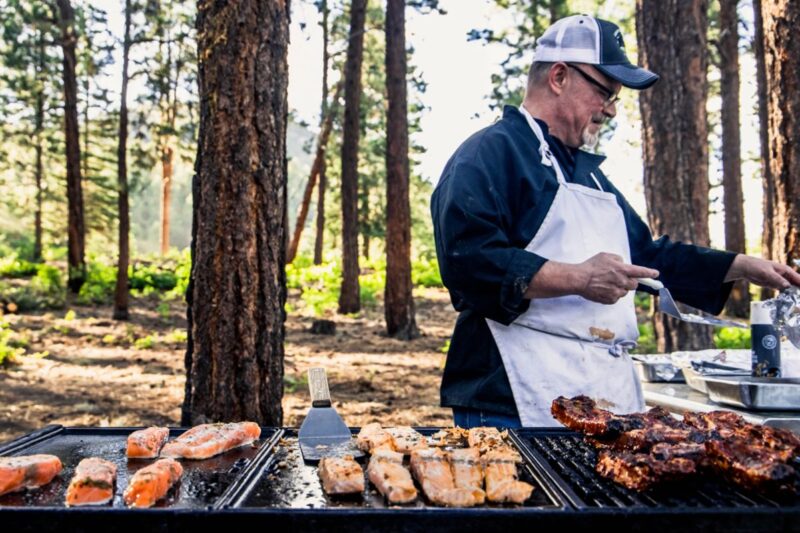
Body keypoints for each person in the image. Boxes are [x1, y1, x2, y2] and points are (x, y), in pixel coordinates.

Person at [430, 14, 800, 429]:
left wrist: (740, 266)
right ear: (558, 76)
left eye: (615, 98)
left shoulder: (588, 174)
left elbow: (644, 255)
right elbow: (468, 262)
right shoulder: (489, 154)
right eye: (605, 92)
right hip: (509, 395)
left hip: (597, 392)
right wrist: (579, 278)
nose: (609, 109)